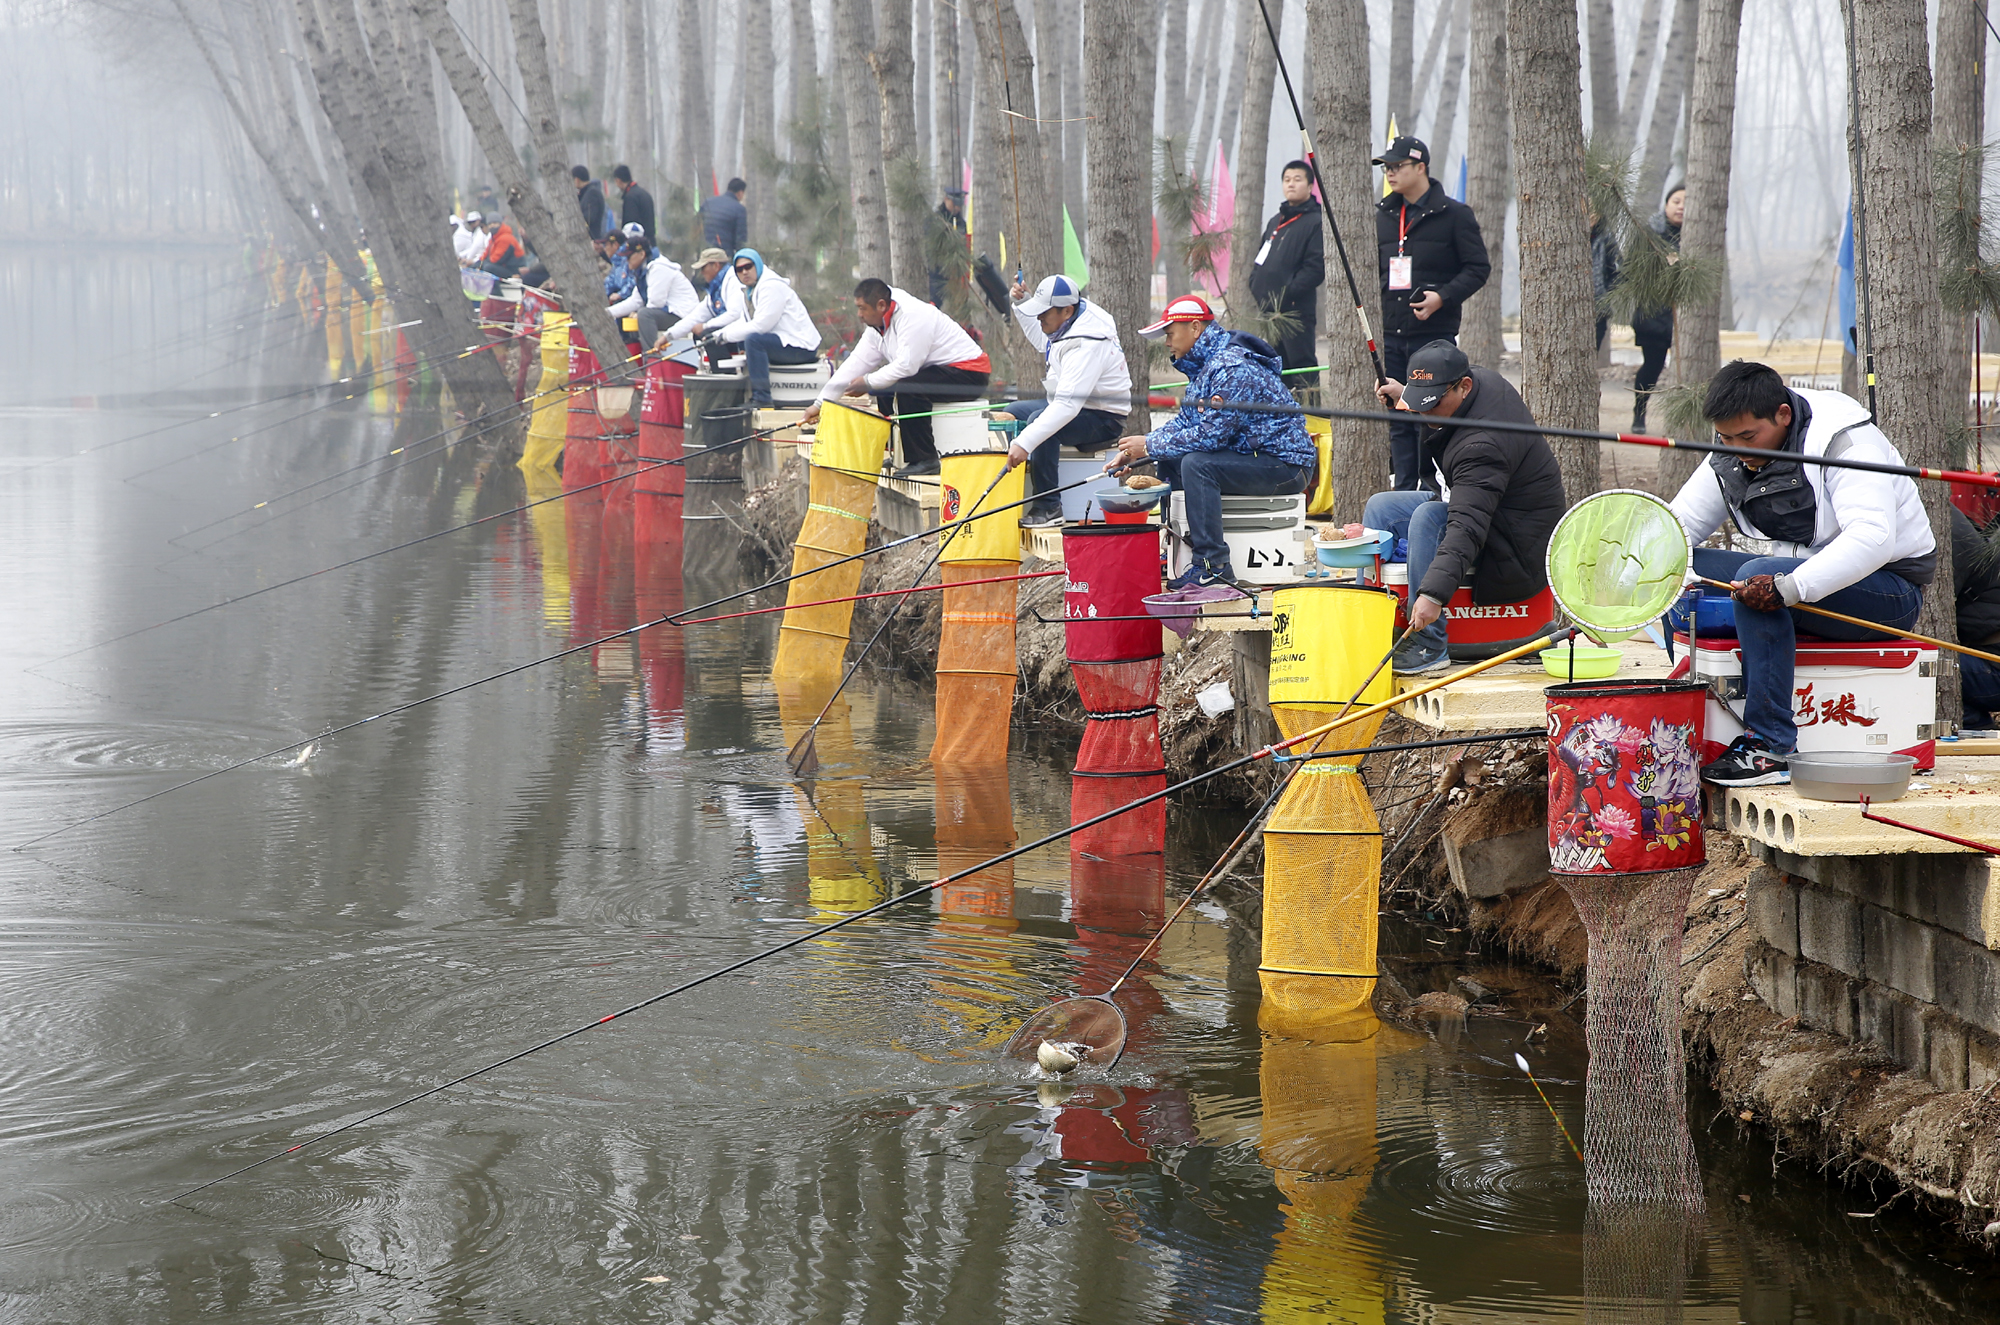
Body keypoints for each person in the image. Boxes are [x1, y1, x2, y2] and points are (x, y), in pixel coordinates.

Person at [1670, 360, 1937, 787]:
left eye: (1748, 437)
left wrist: (1789, 588)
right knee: (1680, 563)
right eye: (1725, 438)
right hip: (1801, 579)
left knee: (1759, 575)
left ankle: (1771, 745)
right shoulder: (1733, 448)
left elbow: (1873, 538)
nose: (1738, 448)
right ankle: (1687, 715)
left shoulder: (1844, 440)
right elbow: (1676, 526)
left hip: (1888, 590)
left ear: (1783, 414)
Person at [1357, 341, 1566, 673]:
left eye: (1433, 403)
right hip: (1480, 504)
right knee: (1383, 507)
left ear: (1463, 387)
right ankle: (1369, 618)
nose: (1425, 412)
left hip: (1514, 539)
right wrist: (1405, 397)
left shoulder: (1483, 445)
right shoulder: (1475, 384)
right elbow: (1433, 403)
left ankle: (1430, 645)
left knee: (1428, 518)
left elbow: (1467, 527)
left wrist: (1433, 597)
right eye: (1419, 400)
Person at [1102, 294, 1316, 593]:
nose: (1166, 342)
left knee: (1196, 464)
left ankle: (1214, 566)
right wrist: (1142, 450)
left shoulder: (1230, 367)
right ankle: (1179, 548)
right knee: (1174, 458)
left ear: (1194, 328)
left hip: (1286, 466)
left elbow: (1213, 435)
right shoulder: (1205, 367)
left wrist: (1149, 446)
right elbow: (1185, 424)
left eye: (1170, 333)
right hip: (1254, 457)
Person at [1372, 135, 1490, 490]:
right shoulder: (1383, 214)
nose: (1391, 174)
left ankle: (1432, 488)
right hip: (1391, 333)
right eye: (1387, 168)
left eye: (1398, 167)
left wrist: (1442, 297)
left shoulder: (1454, 214)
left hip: (1432, 337)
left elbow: (1477, 268)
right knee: (1396, 410)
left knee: (1429, 411)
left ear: (1420, 167)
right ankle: (1404, 488)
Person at [804, 278, 992, 477]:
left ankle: (925, 459)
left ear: (881, 305)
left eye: (862, 308)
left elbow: (907, 366)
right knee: (884, 388)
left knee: (908, 387)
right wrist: (818, 404)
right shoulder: (876, 327)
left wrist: (867, 382)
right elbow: (853, 365)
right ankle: (897, 453)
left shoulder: (913, 316)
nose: (859, 315)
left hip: (970, 373)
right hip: (939, 370)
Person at [1004, 274, 1133, 527]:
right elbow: (1045, 341)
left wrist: (1025, 442)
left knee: (1038, 424)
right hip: (1074, 404)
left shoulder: (1087, 343)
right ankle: (1024, 491)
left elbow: (1066, 407)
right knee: (1013, 412)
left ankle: (1049, 506)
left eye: (1044, 312)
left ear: (1067, 311)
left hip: (1103, 417)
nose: (1039, 317)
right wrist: (1023, 305)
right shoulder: (1070, 320)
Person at [703, 249, 821, 407]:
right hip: (784, 342)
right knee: (746, 340)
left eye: (748, 267)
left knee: (754, 340)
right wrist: (716, 335)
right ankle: (731, 395)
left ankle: (762, 398)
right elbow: (744, 321)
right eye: (739, 270)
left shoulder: (771, 286)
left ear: (757, 265)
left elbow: (761, 326)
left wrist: (724, 337)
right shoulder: (750, 290)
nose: (744, 272)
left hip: (800, 347)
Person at [1247, 160, 1325, 388]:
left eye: (1297, 179)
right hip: (1268, 313)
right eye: (1287, 180)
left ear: (1310, 186)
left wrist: (1288, 295)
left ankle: (1312, 419)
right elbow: (1260, 261)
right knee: (1275, 367)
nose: (1291, 184)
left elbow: (1315, 268)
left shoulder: (1316, 221)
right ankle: (1281, 420)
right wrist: (1255, 285)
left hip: (1295, 312)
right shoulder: (1276, 221)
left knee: (1301, 366)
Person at [1631, 185, 1685, 431]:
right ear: (1666, 204)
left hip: (1685, 314)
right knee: (1653, 366)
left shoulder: (1699, 236)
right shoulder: (1650, 233)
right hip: (1653, 312)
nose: (1681, 207)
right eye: (1676, 201)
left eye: (1686, 202)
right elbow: (1633, 270)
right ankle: (1639, 413)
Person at [606, 230, 702, 350]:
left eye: (629, 256)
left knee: (644, 315)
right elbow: (634, 301)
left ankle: (651, 355)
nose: (626, 260)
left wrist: (637, 314)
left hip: (682, 314)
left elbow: (656, 302)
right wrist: (606, 313)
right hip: (669, 312)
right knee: (639, 314)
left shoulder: (658, 268)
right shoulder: (643, 270)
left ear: (641, 254)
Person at [1953, 507, 2000, 730]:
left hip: (1994, 672)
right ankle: (1978, 722)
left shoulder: (1956, 536)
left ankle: (1975, 725)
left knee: (1926, 666)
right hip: (1988, 664)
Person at [668, 248, 737, 339]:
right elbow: (696, 317)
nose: (702, 272)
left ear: (716, 266)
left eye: (703, 268)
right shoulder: (715, 288)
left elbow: (735, 315)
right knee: (698, 334)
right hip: (731, 330)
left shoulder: (734, 280)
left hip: (741, 330)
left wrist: (706, 326)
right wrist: (668, 336)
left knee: (707, 334)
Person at [928, 188, 969, 304]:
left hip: (954, 274)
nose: (957, 208)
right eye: (954, 204)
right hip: (936, 272)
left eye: (960, 205)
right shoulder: (935, 220)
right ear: (946, 199)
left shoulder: (961, 223)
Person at [1590, 210, 1620, 352]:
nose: (1590, 215)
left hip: (1597, 310)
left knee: (1590, 355)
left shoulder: (1606, 238)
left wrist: (1606, 296)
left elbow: (1618, 272)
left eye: (1593, 210)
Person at [701, 178, 750, 254]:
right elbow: (740, 240)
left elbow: (696, 226)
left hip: (704, 251)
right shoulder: (739, 209)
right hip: (724, 254)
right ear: (740, 193)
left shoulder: (707, 202)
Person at [473, 213, 525, 281]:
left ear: (500, 224)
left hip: (513, 270)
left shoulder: (506, 238)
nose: (492, 226)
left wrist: (480, 267)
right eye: (490, 224)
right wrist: (476, 265)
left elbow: (496, 260)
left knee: (488, 268)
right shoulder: (493, 238)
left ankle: (496, 289)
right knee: (478, 266)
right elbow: (485, 255)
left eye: (495, 223)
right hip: (502, 267)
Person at [612, 164, 655, 239]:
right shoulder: (645, 194)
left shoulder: (630, 198)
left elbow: (630, 224)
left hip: (638, 243)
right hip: (650, 240)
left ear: (618, 180)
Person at [573, 165, 612, 241]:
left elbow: (589, 217)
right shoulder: (585, 193)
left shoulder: (592, 193)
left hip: (592, 238)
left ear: (577, 179)